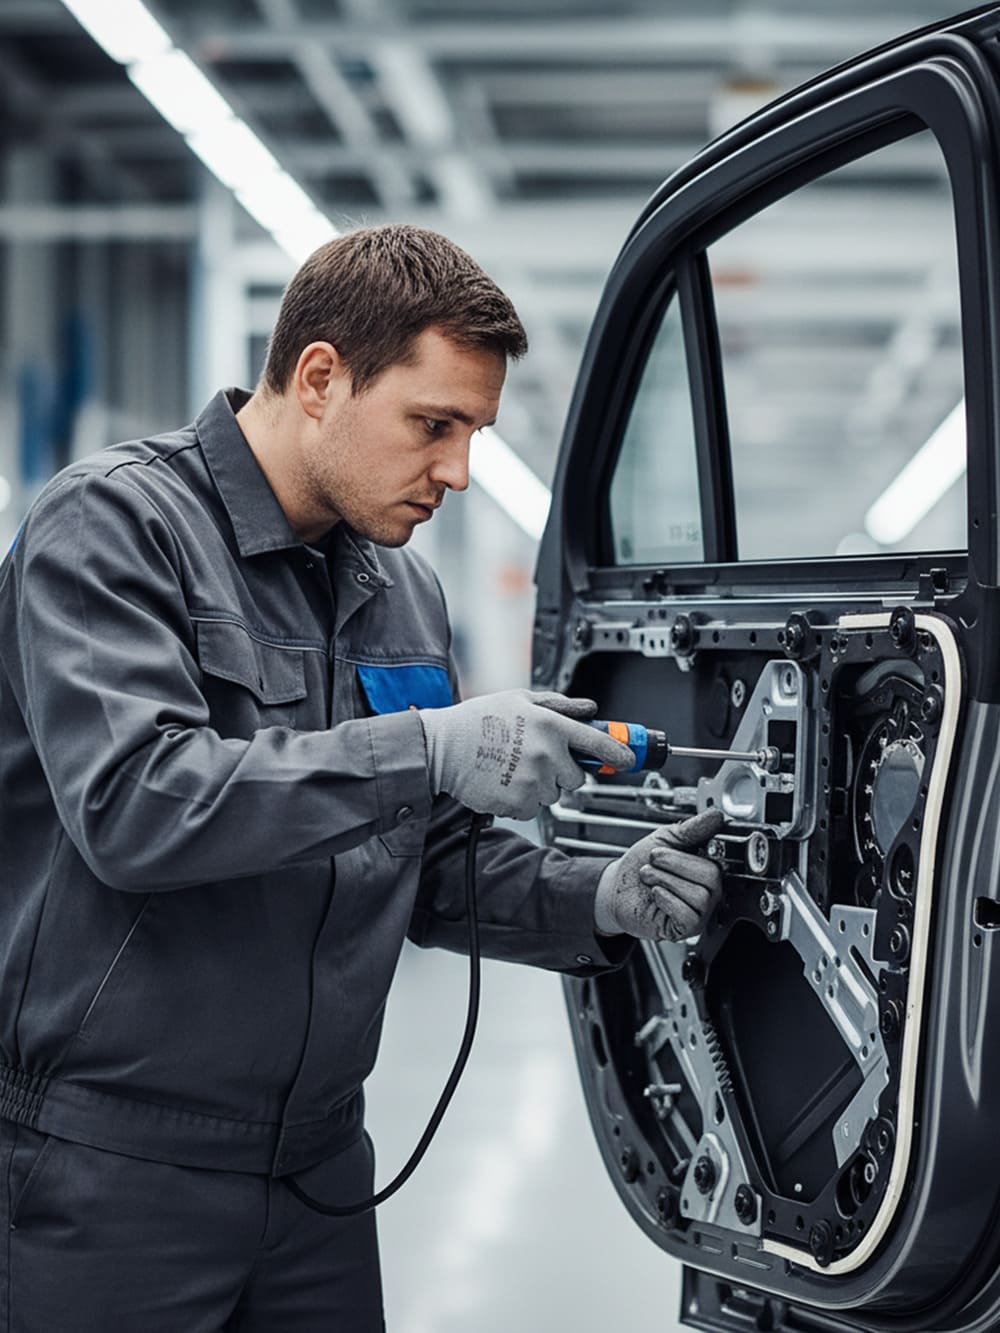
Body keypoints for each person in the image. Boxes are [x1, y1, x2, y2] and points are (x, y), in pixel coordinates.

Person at [0, 224, 723, 1331]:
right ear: (320, 378)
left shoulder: (402, 593)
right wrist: (429, 747)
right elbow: (137, 804)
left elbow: (423, 859)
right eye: (433, 425)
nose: (458, 472)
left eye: (473, 433)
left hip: (321, 1171)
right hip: (109, 1171)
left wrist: (600, 897)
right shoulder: (114, 526)